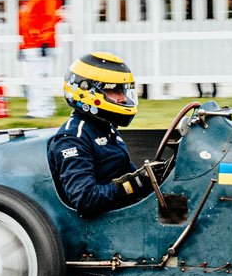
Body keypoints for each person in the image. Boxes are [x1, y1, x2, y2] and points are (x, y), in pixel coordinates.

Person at [47, 52, 155, 219]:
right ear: (87, 92)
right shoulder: (72, 138)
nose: (122, 98)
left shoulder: (106, 128)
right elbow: (85, 199)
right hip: (100, 224)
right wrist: (132, 185)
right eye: (114, 90)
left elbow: (128, 174)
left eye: (122, 90)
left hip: (125, 212)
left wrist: (151, 177)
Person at [17, 0, 61, 119]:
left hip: (40, 45)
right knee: (32, 80)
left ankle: (43, 111)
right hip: (31, 45)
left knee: (39, 80)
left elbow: (50, 19)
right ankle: (36, 110)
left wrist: (45, 41)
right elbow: (26, 23)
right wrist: (22, 46)